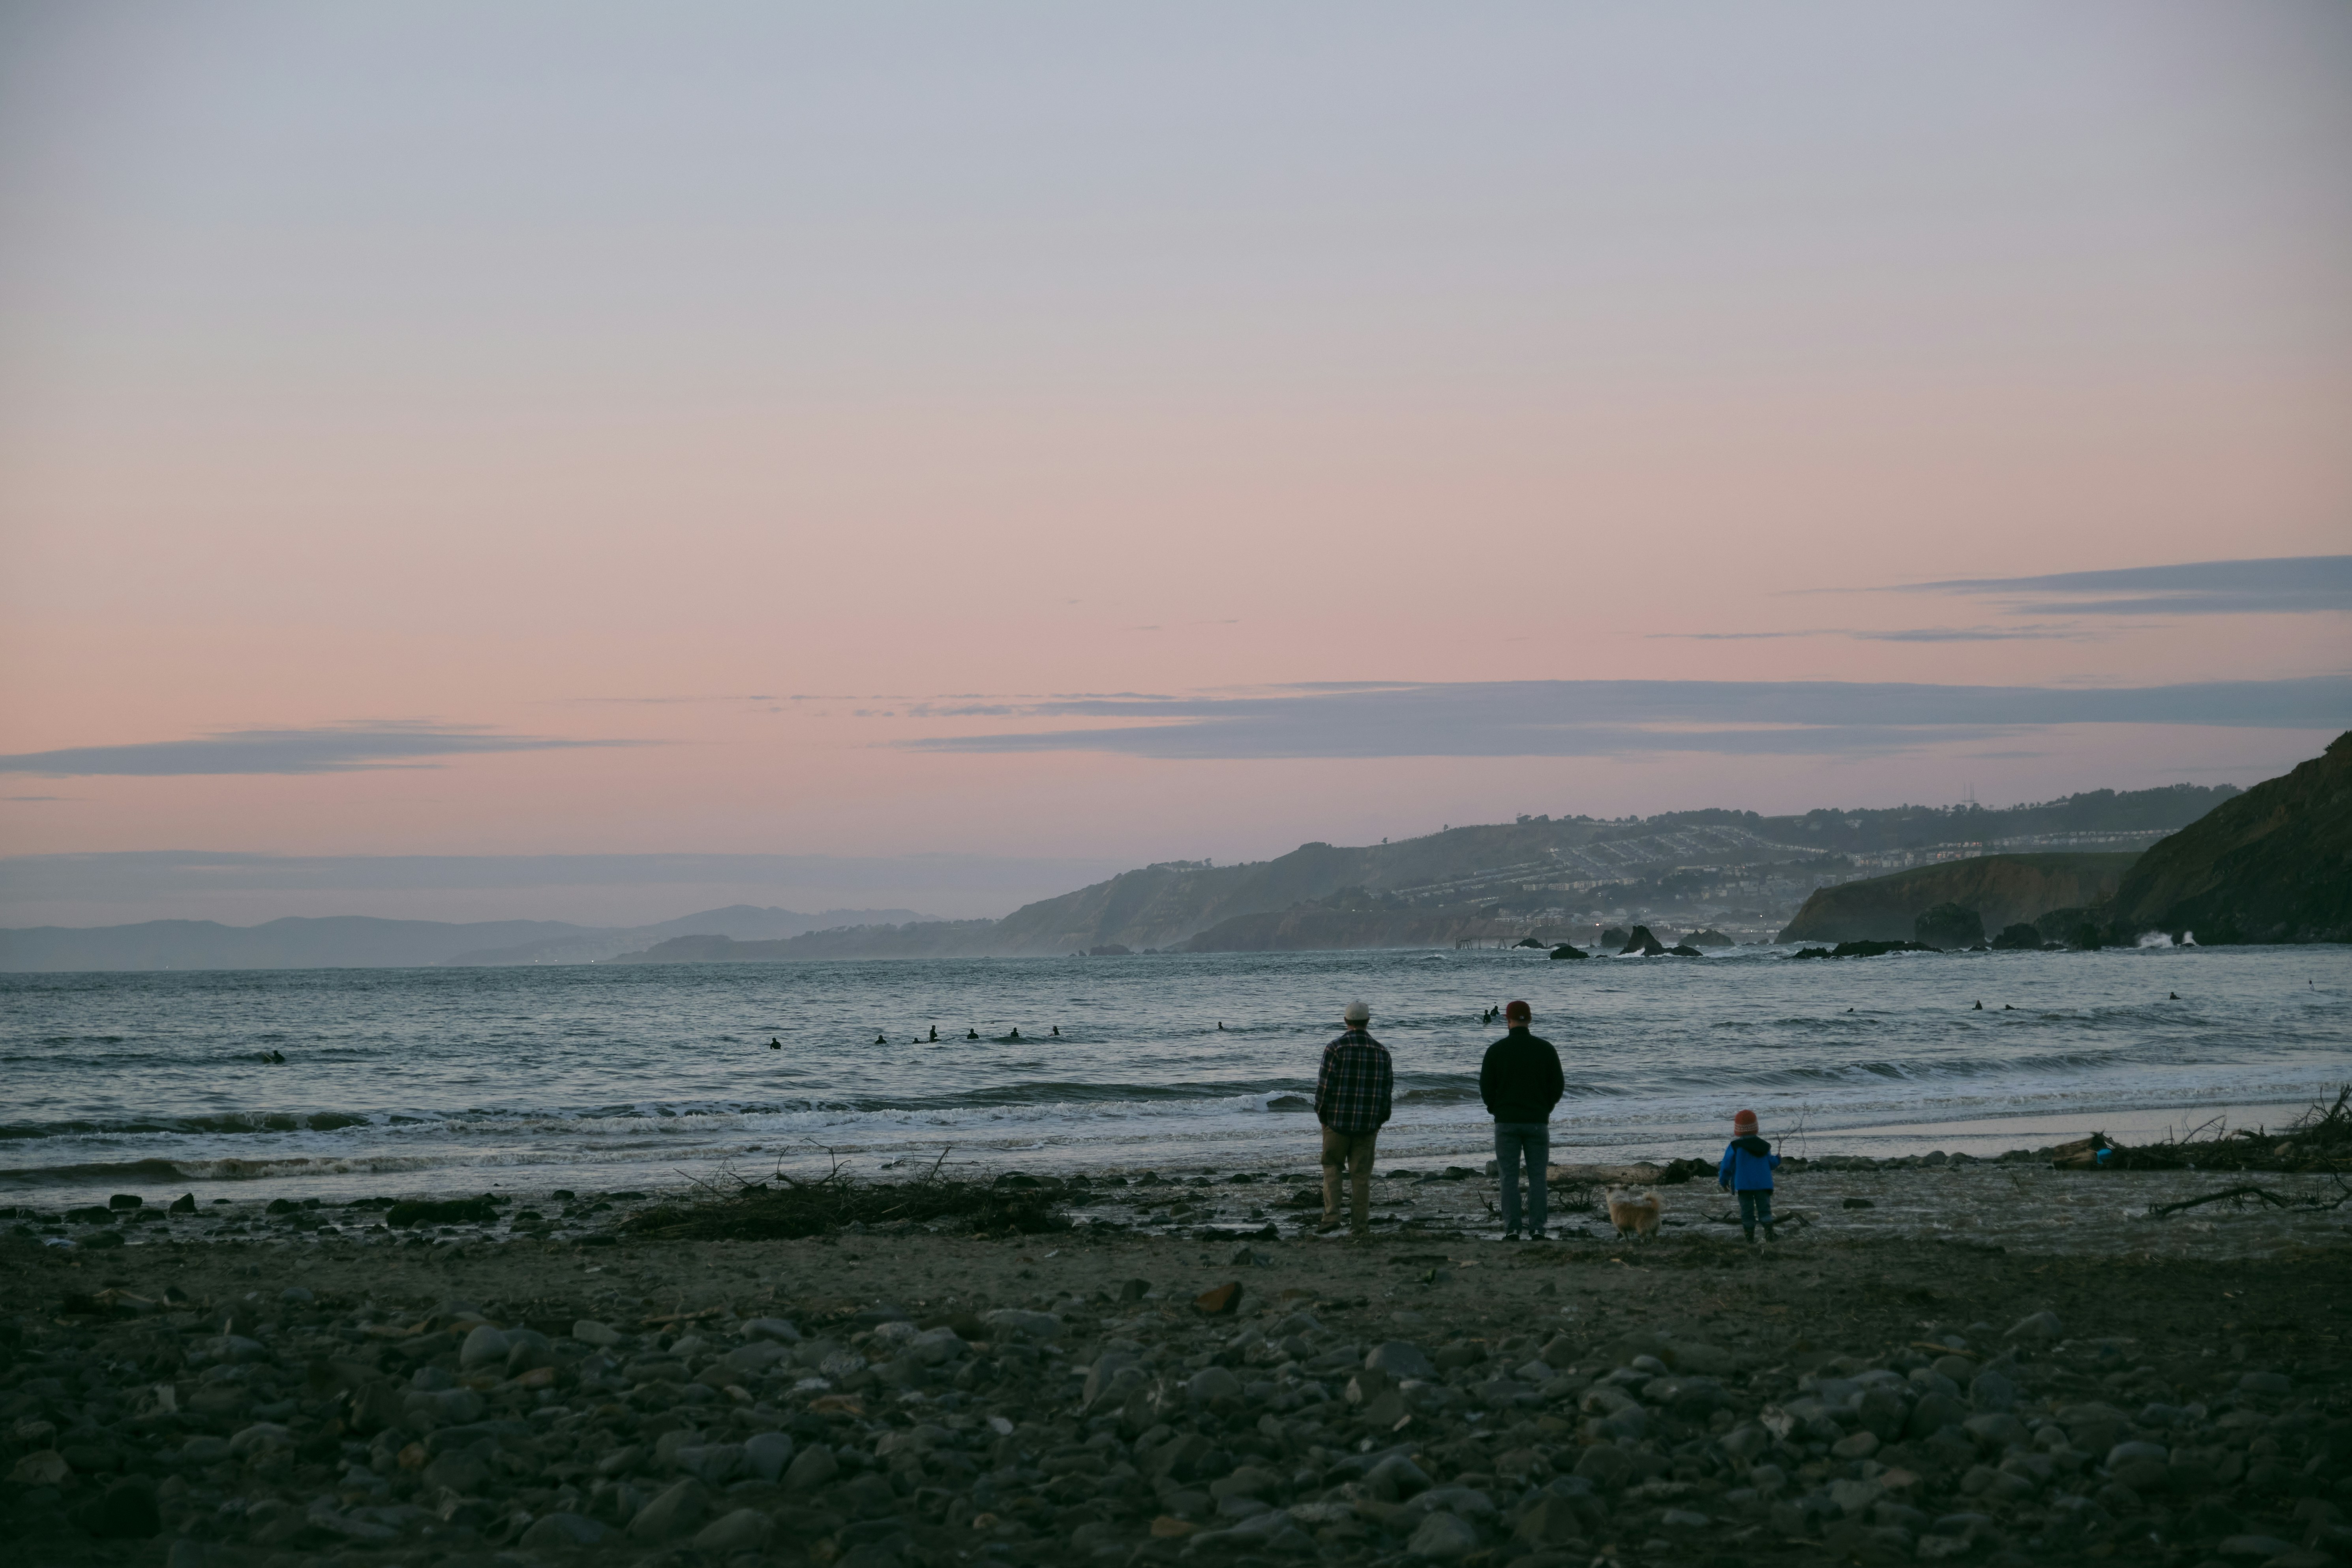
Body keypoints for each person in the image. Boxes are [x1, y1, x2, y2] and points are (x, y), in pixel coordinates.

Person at [1479, 1000, 1564, 1241]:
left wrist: (1495, 1109)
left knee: (1509, 1177)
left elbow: (1486, 1087)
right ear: (1531, 1020)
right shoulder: (1546, 1049)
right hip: (1537, 1121)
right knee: (1538, 1177)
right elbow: (1557, 1085)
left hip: (1506, 1122)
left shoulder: (1496, 1051)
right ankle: (1537, 1228)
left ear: (1507, 1020)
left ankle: (1513, 1228)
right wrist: (1546, 1107)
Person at [1313, 999, 1392, 1236]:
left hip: (1337, 1122)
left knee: (1332, 1167)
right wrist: (1380, 1120)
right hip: (1368, 1124)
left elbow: (1324, 1088)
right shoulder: (1381, 1051)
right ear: (1367, 1021)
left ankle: (1331, 1217)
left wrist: (1323, 1116)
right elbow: (1386, 1092)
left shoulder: (1335, 1048)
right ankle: (1360, 1226)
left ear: (1346, 1021)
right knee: (1361, 1177)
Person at [1718, 1108, 1781, 1244]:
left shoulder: (1735, 1146)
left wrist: (1723, 1181)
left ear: (1738, 1129)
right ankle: (1769, 1233)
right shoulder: (1764, 1146)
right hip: (1763, 1185)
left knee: (1747, 1212)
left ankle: (1750, 1239)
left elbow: (1726, 1165)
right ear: (1756, 1127)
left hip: (1744, 1186)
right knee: (1765, 1210)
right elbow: (1771, 1164)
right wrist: (1778, 1159)